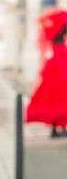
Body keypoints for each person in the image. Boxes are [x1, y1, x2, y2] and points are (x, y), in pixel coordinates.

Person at [26, 9, 67, 138]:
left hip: (56, 65)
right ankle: (59, 126)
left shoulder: (50, 32)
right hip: (59, 65)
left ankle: (57, 127)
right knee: (59, 98)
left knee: (55, 98)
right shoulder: (56, 31)